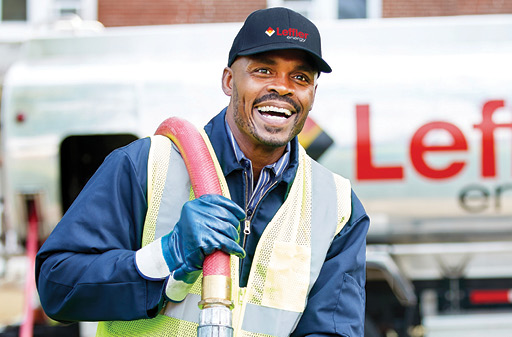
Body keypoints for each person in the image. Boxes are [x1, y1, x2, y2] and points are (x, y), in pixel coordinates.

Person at [35, 7, 368, 337]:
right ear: (228, 81)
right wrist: (168, 254)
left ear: (312, 94)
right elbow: (57, 289)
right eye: (264, 71)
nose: (282, 87)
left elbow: (331, 329)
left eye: (300, 77)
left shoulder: (337, 206)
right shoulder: (147, 165)